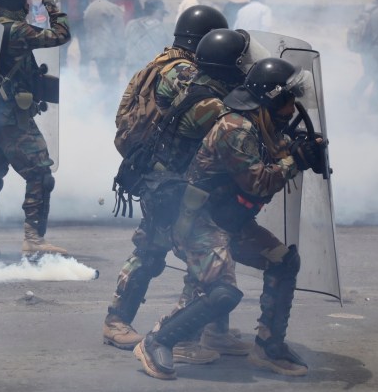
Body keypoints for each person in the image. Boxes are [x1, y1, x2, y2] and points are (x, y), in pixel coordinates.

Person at [134, 57, 324, 379]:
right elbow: (259, 181)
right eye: (288, 101)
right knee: (223, 293)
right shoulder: (235, 128)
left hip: (229, 223)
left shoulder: (264, 126)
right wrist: (296, 161)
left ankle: (269, 346)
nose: (292, 109)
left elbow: (279, 152)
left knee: (283, 261)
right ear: (271, 100)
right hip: (199, 224)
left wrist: (304, 149)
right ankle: (157, 340)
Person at [104, 7, 227, 350]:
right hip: (169, 176)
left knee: (184, 248)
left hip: (163, 171)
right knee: (179, 250)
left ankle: (214, 330)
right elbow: (213, 107)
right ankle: (125, 323)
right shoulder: (184, 71)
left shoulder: (161, 62)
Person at [0, 0, 71, 256]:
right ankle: (33, 240)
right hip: (13, 119)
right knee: (40, 173)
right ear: (18, 1)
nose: (29, 3)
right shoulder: (15, 29)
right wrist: (50, 3)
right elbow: (61, 34)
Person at [83, 0, 125, 83]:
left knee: (104, 79)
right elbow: (119, 33)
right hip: (110, 52)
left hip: (95, 50)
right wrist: (122, 52)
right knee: (112, 82)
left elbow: (87, 28)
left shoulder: (90, 7)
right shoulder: (113, 8)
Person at [124, 0, 171, 77]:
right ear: (157, 11)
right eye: (162, 14)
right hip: (149, 69)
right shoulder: (161, 27)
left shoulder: (131, 24)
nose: (162, 18)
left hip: (131, 67)